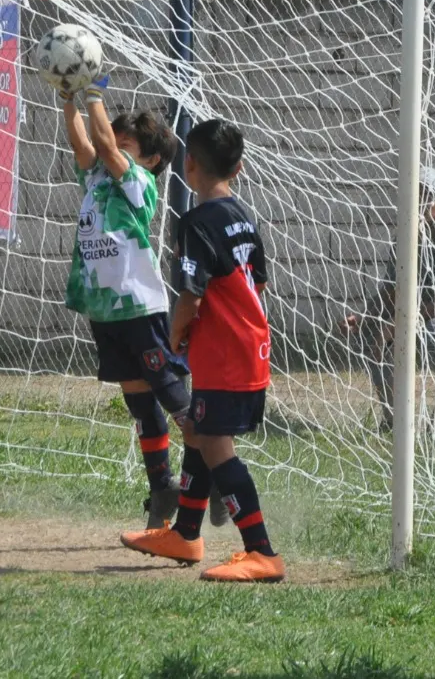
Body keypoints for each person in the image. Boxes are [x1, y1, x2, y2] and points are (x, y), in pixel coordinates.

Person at [120, 118, 286, 582]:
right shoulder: (244, 217)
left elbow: (190, 297)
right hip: (248, 348)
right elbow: (260, 284)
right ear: (240, 168)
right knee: (197, 430)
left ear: (188, 165)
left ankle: (262, 552)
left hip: (225, 358)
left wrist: (173, 346)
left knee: (215, 446)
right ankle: (186, 533)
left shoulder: (195, 223)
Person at [60, 75, 205, 529]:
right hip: (105, 313)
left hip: (140, 309)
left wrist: (94, 94)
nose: (114, 151)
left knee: (173, 398)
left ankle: (214, 474)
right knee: (141, 406)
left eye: (126, 146)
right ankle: (162, 488)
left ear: (152, 159)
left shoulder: (139, 182)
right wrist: (69, 101)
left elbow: (102, 145)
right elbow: (87, 147)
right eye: (116, 143)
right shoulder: (100, 177)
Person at [343, 166, 435, 437]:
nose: (418, 203)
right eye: (415, 195)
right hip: (419, 309)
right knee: (373, 326)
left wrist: (401, 322)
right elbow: (391, 290)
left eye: (426, 196)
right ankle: (395, 421)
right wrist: (367, 317)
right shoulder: (407, 237)